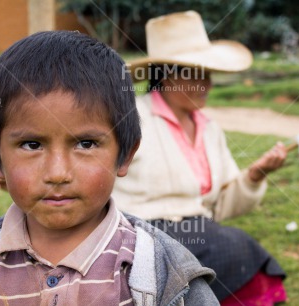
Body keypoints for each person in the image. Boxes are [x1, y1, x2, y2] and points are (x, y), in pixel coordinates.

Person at [0, 31, 219, 305]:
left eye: (85, 144)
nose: (58, 173)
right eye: (32, 145)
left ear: (125, 155)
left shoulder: (168, 276)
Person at [116, 11, 288, 305]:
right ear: (166, 75)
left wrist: (254, 176)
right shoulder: (129, 119)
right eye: (193, 74)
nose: (205, 83)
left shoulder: (210, 130)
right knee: (234, 245)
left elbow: (218, 205)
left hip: (200, 231)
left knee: (238, 254)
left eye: (206, 73)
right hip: (142, 234)